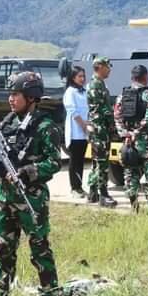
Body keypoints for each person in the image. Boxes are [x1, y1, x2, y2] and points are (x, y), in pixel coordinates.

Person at [0, 71, 62, 296]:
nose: (11, 99)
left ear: (31, 97)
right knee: (2, 250)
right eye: (10, 94)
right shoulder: (7, 122)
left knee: (40, 252)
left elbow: (54, 163)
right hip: (5, 199)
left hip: (31, 199)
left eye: (16, 94)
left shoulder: (45, 127)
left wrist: (28, 172)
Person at [114, 65, 148, 214]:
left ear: (132, 77)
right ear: (145, 77)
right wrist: (136, 133)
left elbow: (117, 117)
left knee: (131, 174)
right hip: (146, 144)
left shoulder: (122, 95)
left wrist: (126, 134)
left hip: (129, 144)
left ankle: (134, 207)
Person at [86, 56, 117, 208]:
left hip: (100, 128)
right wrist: (113, 122)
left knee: (96, 162)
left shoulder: (100, 84)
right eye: (107, 66)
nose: (109, 69)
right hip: (99, 129)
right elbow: (102, 109)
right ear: (99, 66)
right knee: (102, 162)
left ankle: (93, 192)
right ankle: (103, 194)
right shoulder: (95, 85)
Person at [63, 66, 90, 199]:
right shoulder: (70, 92)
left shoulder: (85, 92)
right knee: (74, 161)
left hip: (84, 133)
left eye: (83, 76)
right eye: (79, 76)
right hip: (75, 132)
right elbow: (73, 112)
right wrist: (83, 125)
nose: (82, 79)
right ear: (73, 78)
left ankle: (79, 186)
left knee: (81, 161)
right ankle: (74, 187)